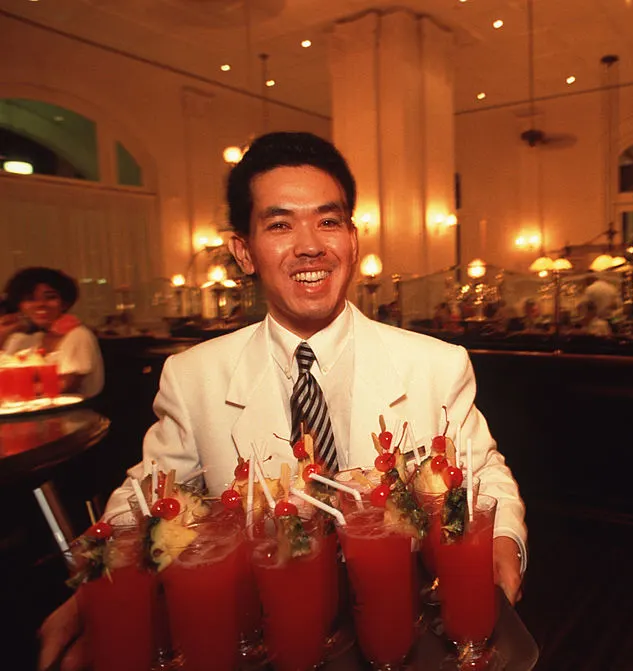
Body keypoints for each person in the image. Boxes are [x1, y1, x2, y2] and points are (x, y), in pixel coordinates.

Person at [39, 132, 526, 669]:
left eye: (328, 220)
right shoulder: (192, 376)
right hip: (267, 635)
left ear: (353, 240)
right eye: (279, 224)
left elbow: (481, 471)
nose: (310, 244)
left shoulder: (437, 364)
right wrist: (99, 589)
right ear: (243, 252)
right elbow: (148, 493)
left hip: (405, 624)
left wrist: (504, 541)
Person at [2, 267, 104, 398]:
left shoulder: (78, 335)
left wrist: (9, 387)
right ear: (20, 305)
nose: (40, 304)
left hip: (73, 414)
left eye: (50, 297)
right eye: (30, 299)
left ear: (64, 303)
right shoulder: (27, 340)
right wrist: (4, 333)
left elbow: (65, 386)